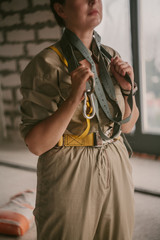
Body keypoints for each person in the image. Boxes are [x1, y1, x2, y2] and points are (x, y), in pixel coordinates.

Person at [20, 0, 139, 239]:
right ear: (60, 9)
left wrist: (127, 90)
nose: (94, 1)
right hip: (70, 167)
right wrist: (74, 97)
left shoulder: (111, 57)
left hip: (116, 160)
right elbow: (37, 144)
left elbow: (127, 125)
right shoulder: (46, 64)